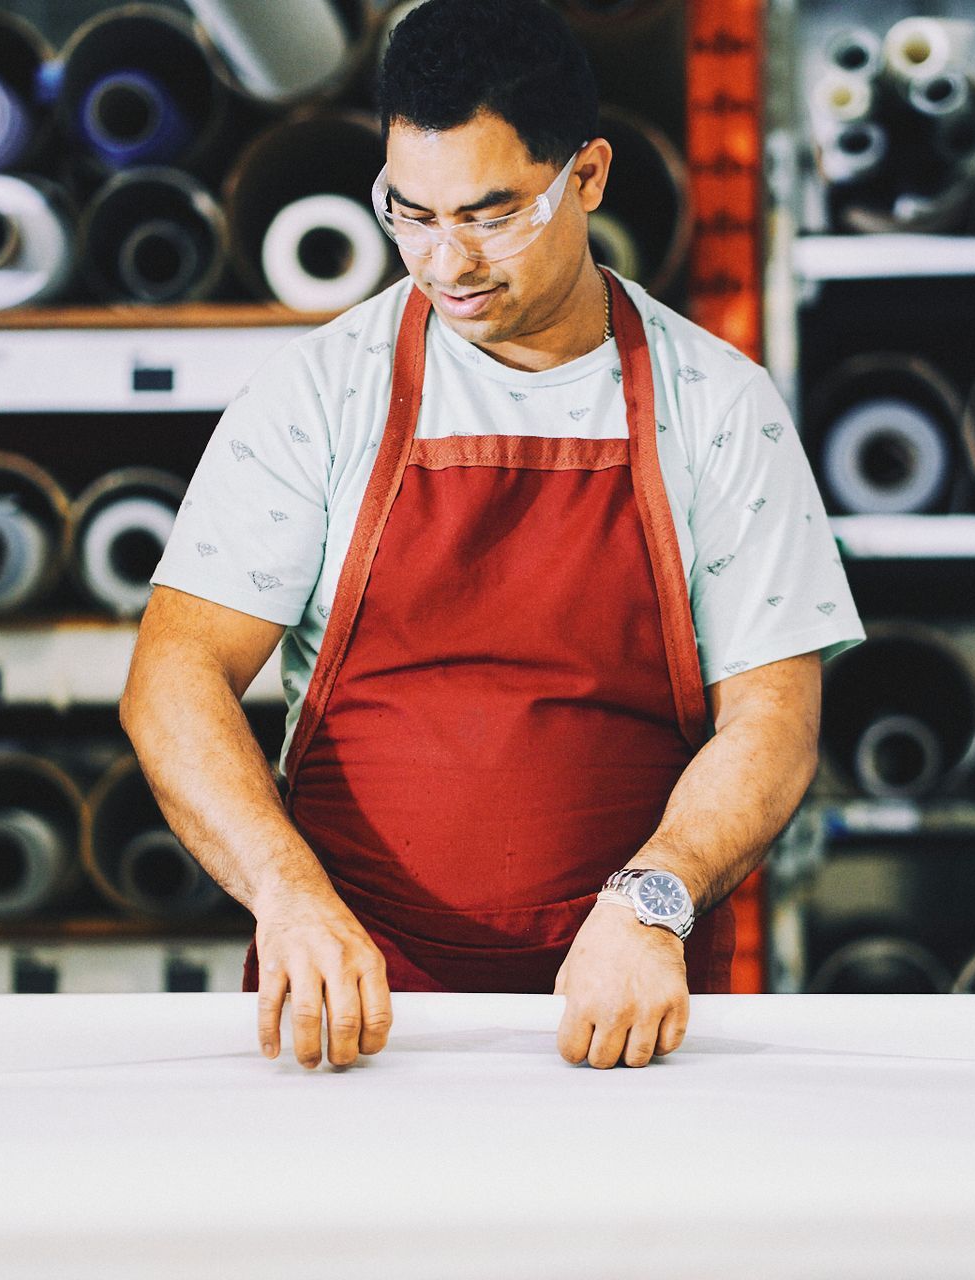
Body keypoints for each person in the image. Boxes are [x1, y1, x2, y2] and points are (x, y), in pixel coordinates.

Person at [121, 0, 862, 1071]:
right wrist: (285, 895)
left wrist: (656, 898)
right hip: (355, 1011)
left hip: (623, 1010)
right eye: (409, 212)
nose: (446, 259)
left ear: (590, 177)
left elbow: (774, 718)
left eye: (493, 212)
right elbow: (174, 676)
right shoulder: (323, 390)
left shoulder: (716, 403)